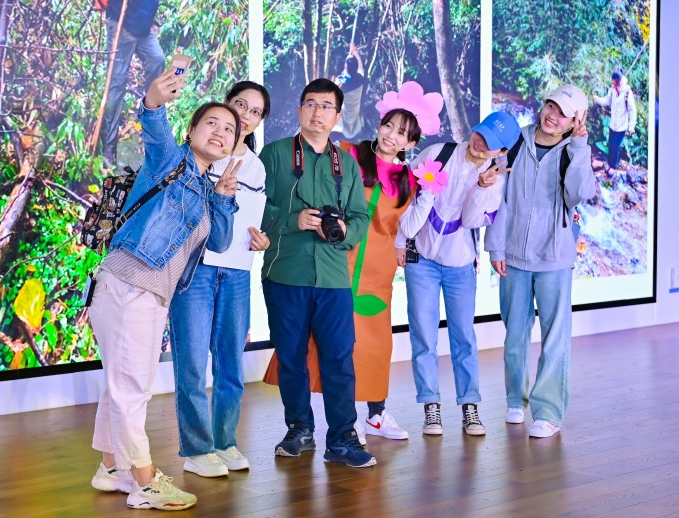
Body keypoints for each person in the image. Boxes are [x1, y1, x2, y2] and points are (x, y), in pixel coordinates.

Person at [88, 67, 241, 511]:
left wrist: (224, 197)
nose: (220, 132)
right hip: (128, 283)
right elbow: (154, 123)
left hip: (150, 294)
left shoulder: (208, 191)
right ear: (191, 130)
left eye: (229, 129)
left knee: (119, 385)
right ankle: (145, 481)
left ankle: (111, 469)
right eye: (211, 122)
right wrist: (153, 100)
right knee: (132, 388)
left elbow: (220, 242)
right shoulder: (169, 161)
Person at [259, 78, 375, 468]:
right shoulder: (275, 154)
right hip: (285, 272)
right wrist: (293, 220)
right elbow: (255, 207)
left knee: (339, 357)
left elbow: (360, 217)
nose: (317, 112)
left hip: (333, 277)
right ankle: (299, 430)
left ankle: (342, 438)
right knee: (291, 356)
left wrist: (344, 231)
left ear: (337, 116)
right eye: (310, 103)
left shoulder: (347, 163)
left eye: (326, 106)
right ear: (299, 109)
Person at [396, 111, 522, 437]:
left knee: (463, 337)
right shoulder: (438, 153)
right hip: (421, 261)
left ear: (501, 152)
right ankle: (430, 405)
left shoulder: (496, 182)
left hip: (461, 266)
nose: (481, 143)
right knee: (423, 335)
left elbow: (470, 221)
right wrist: (400, 242)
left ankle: (470, 406)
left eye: (491, 144)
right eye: (481, 134)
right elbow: (405, 199)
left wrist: (481, 187)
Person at [169, 81, 271, 478]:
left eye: (255, 112)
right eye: (239, 105)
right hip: (195, 269)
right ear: (225, 106)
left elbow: (252, 220)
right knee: (193, 364)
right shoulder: (200, 155)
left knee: (230, 363)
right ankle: (197, 449)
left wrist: (261, 240)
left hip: (237, 271)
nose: (245, 116)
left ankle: (225, 442)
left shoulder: (257, 167)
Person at [485, 85, 596, 439]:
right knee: (515, 334)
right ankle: (515, 400)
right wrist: (495, 248)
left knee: (554, 338)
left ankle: (548, 412)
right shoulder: (516, 142)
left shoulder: (573, 150)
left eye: (564, 114)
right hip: (514, 257)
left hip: (555, 258)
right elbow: (498, 198)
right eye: (551, 106)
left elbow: (579, 194)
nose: (553, 116)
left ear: (575, 121)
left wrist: (579, 147)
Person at [99, 0, 204, 168]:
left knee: (157, 60)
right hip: (121, 27)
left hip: (143, 30)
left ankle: (148, 120)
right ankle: (108, 150)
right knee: (116, 85)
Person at [592, 68, 637, 177]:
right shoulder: (612, 90)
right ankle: (609, 164)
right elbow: (606, 101)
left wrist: (631, 126)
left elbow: (632, 110)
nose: (614, 86)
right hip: (613, 125)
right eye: (612, 84)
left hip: (622, 126)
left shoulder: (627, 92)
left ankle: (613, 166)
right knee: (611, 145)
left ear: (619, 82)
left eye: (615, 84)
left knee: (616, 145)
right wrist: (597, 99)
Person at [334, 44, 366, 140]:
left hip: (345, 120)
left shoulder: (341, 83)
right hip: (354, 117)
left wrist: (343, 74)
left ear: (345, 66)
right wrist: (355, 52)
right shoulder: (360, 79)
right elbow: (360, 65)